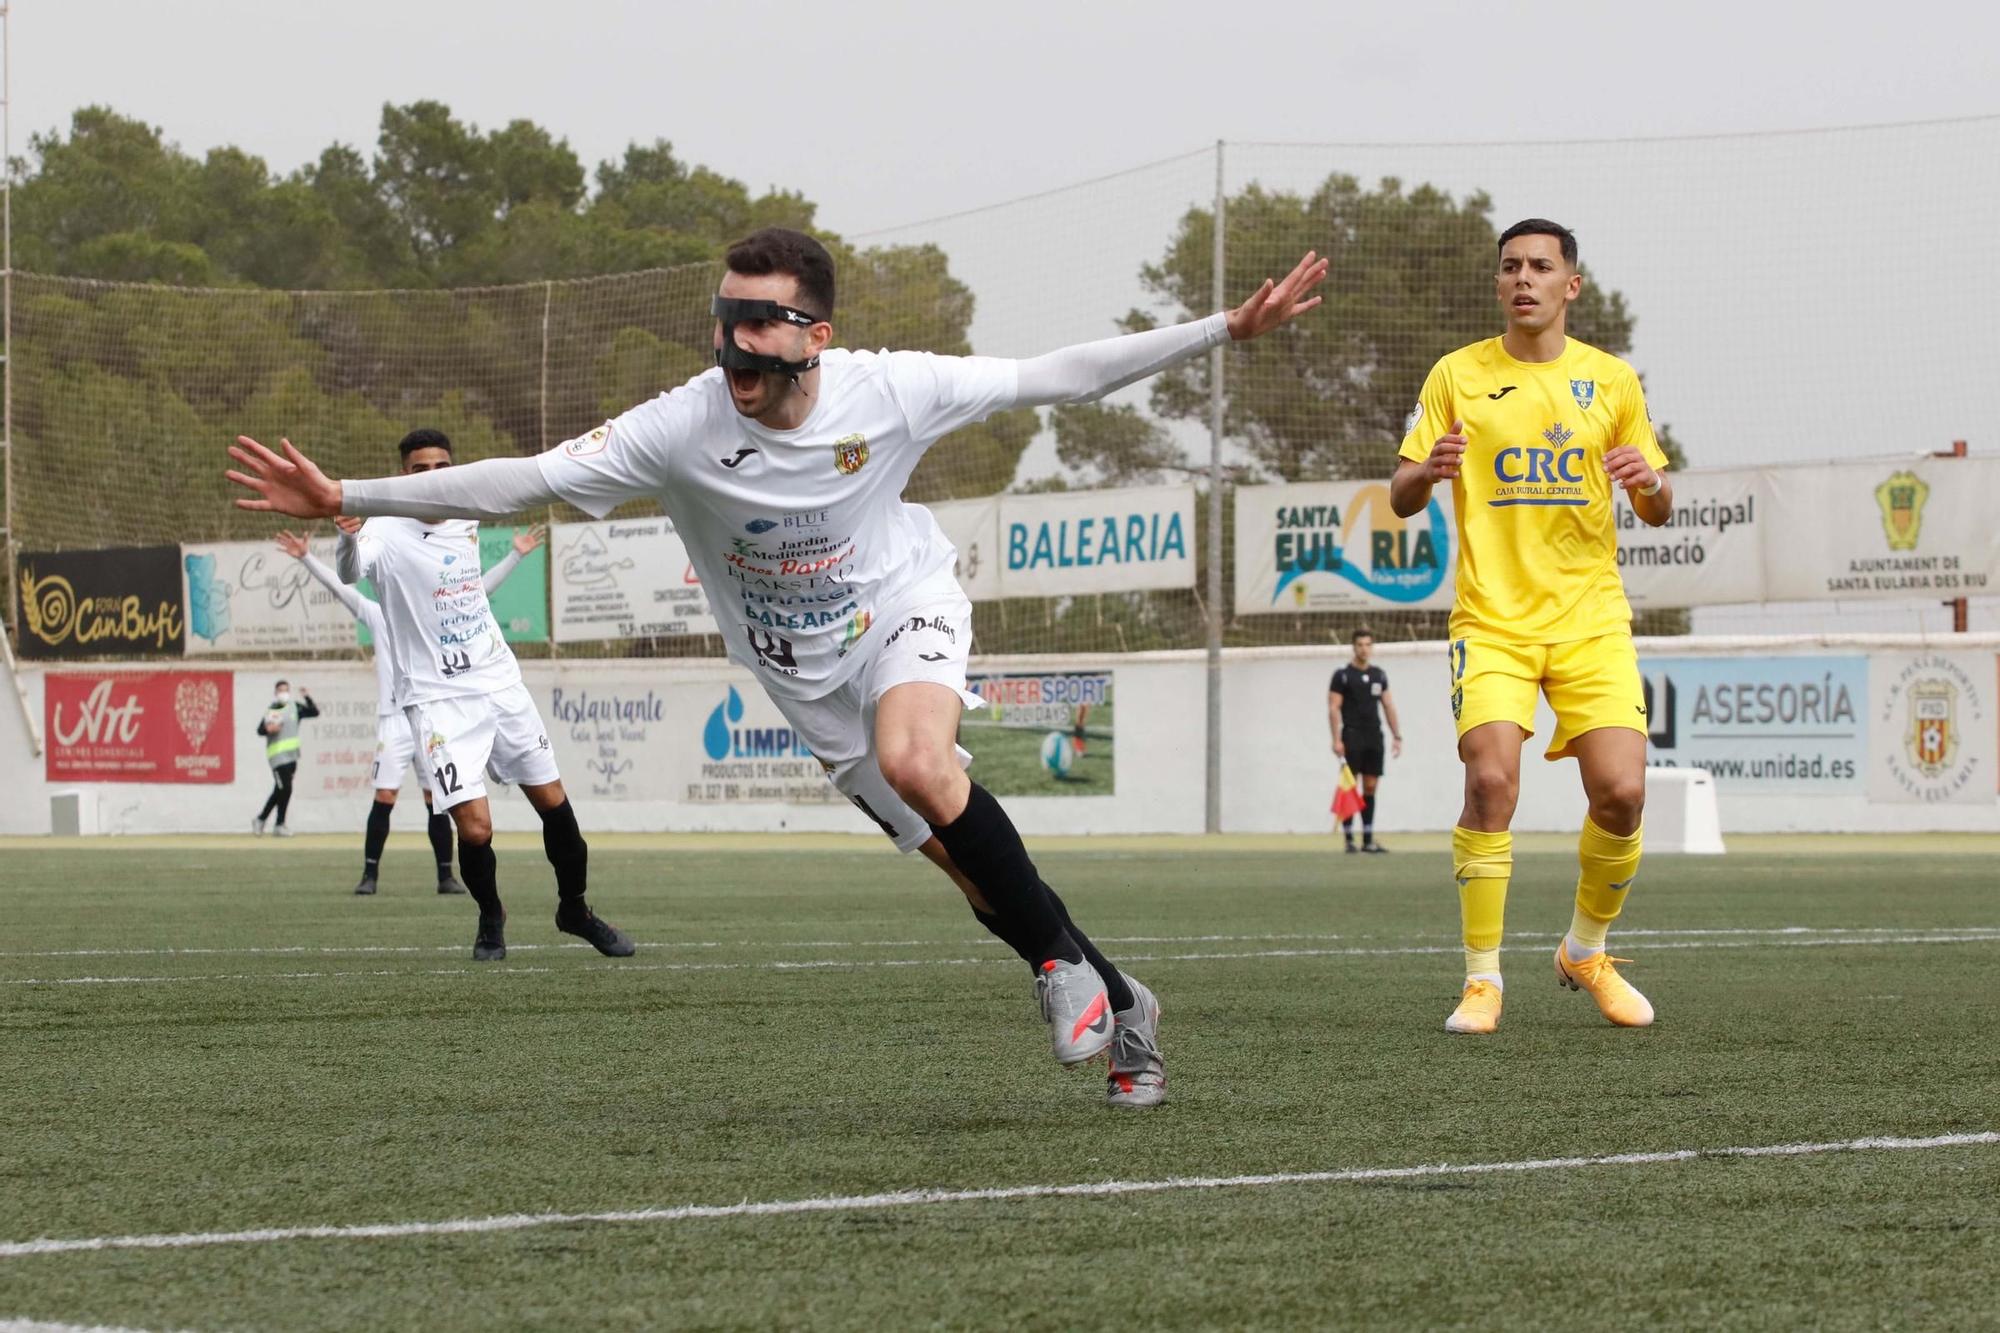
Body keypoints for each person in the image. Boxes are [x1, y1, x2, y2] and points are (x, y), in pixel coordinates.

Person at [227, 228, 1326, 1107]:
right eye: (724, 319)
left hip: (902, 609)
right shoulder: (679, 427)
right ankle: (1125, 998)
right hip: (801, 679)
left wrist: (1224, 328)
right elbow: (519, 481)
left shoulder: (891, 388)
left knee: (919, 760)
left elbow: (1061, 377)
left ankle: (1060, 972)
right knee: (965, 868)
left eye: (761, 321)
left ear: (816, 333)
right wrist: (350, 500)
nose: (735, 343)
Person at [1390, 218, 1672, 1036]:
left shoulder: (1611, 382)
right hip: (1493, 621)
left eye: (1541, 267)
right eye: (1511, 266)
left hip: (1591, 620)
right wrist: (1428, 472)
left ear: (1570, 286)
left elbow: (1658, 508)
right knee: (1490, 782)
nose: (1524, 278)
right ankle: (1483, 978)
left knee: (1621, 791)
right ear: (1499, 283)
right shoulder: (1456, 375)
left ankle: (1586, 950)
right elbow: (1403, 490)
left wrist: (1648, 480)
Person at [331, 427, 632, 962]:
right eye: (419, 470)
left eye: (441, 465)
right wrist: (348, 536)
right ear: (403, 476)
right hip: (438, 699)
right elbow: (352, 570)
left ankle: (576, 910)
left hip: (498, 682)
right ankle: (491, 915)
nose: (433, 477)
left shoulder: (467, 507)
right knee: (475, 828)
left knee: (554, 804)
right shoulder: (382, 527)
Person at [276, 519, 546, 896]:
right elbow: (341, 586)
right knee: (384, 796)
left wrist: (516, 554)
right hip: (395, 719)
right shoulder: (376, 614)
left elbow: (481, 588)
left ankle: (444, 875)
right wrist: (307, 559)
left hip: (434, 715)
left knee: (436, 800)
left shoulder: (437, 608)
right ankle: (369, 874)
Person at [1327, 628, 1401, 853]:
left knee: (1370, 785)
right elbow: (1333, 707)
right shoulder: (1342, 675)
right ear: (1353, 647)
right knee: (1350, 785)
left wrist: (1397, 735)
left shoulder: (1379, 675)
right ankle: (1349, 839)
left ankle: (1368, 839)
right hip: (1352, 735)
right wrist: (1336, 739)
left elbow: (1388, 705)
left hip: (1373, 736)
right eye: (1360, 645)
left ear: (1372, 647)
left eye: (1368, 645)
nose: (1364, 649)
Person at [252, 679, 318, 836]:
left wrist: (307, 697)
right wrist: (269, 729)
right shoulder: (272, 710)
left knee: (280, 790)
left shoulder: (295, 707)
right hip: (277, 757)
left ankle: (261, 819)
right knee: (286, 788)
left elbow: (314, 712)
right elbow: (260, 730)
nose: (284, 693)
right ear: (276, 693)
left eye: (286, 690)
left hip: (292, 756)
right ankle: (279, 824)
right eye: (281, 690)